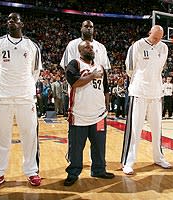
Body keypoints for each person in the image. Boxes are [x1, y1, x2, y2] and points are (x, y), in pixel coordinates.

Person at [0, 13, 42, 191]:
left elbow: (35, 73)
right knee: (0, 137)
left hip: (25, 97)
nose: (11, 21)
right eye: (9, 19)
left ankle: (32, 171)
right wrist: (3, 88)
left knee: (30, 136)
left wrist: (24, 88)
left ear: (21, 23)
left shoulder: (32, 46)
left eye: (15, 19)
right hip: (2, 97)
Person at [120, 25, 171, 175]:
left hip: (156, 93)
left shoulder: (164, 48)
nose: (157, 40)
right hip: (139, 92)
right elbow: (129, 68)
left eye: (159, 38)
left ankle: (158, 157)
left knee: (157, 128)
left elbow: (160, 68)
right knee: (135, 129)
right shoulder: (138, 45)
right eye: (155, 37)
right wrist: (140, 80)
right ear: (150, 33)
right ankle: (128, 162)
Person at [64, 40, 114, 186]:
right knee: (76, 148)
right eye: (86, 47)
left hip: (99, 115)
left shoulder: (101, 67)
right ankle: (73, 173)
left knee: (99, 145)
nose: (90, 48)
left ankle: (99, 169)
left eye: (91, 47)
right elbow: (74, 83)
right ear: (80, 51)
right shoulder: (74, 64)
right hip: (79, 115)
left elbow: (105, 90)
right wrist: (92, 76)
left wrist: (106, 106)